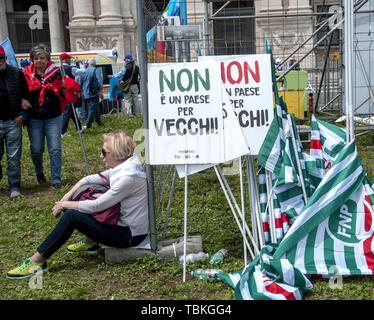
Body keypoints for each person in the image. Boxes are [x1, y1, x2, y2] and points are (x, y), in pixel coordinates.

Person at [6, 131, 149, 279]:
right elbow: (87, 179)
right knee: (83, 193)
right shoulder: (125, 167)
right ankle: (90, 241)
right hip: (122, 227)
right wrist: (66, 196)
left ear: (117, 154)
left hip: (129, 235)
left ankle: (37, 261)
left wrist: (64, 205)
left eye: (104, 152)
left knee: (72, 215)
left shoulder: (128, 177)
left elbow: (96, 206)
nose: (101, 156)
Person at [23, 44, 65, 189]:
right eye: (36, 58)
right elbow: (23, 93)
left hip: (53, 116)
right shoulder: (26, 74)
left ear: (48, 59)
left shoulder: (56, 73)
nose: (39, 61)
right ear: (32, 60)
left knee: (55, 149)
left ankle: (56, 179)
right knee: (36, 149)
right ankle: (39, 172)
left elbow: (62, 90)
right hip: (35, 118)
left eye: (42, 58)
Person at [0, 45, 32, 198]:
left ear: (5, 58)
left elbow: (27, 97)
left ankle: (14, 186)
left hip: (12, 122)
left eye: (0, 58)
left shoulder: (16, 73)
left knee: (13, 156)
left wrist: (22, 116)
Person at [59, 53, 83, 137]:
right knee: (67, 112)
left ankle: (79, 127)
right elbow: (83, 72)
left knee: (72, 111)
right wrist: (80, 64)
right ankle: (62, 132)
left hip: (63, 93)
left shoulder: (58, 69)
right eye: (69, 59)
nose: (70, 60)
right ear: (65, 60)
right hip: (70, 93)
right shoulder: (70, 68)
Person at [77, 58, 103, 129]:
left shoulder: (84, 71)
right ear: (95, 64)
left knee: (94, 107)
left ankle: (98, 121)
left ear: (88, 63)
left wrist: (81, 93)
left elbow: (80, 83)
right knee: (92, 108)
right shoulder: (95, 70)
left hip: (85, 93)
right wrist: (101, 92)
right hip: (93, 92)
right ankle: (88, 124)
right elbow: (99, 81)